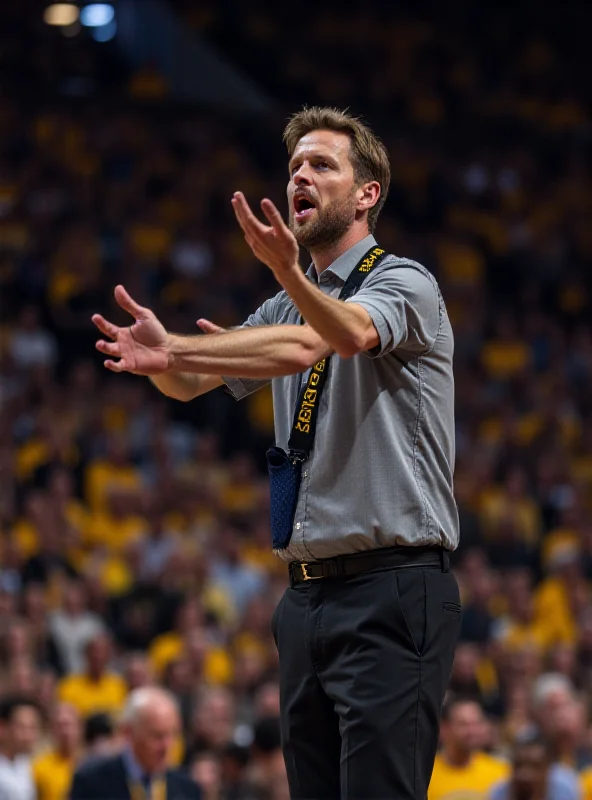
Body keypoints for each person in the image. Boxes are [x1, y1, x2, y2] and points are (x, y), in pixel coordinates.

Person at [91, 106, 461, 798]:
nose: (302, 176)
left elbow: (333, 339)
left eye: (323, 164)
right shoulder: (285, 304)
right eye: (295, 166)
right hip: (306, 600)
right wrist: (164, 354)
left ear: (366, 193)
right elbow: (191, 382)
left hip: (394, 584)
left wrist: (283, 281)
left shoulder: (404, 283)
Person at [69, 687, 201, 799]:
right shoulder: (91, 783)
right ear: (128, 732)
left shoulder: (187, 789)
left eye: (172, 735)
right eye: (157, 736)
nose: (167, 746)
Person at [429, 696, 509, 799]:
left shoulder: (501, 773)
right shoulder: (426, 775)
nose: (472, 731)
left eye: (477, 723)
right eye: (463, 724)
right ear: (445, 728)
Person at [489, 733, 581, 800]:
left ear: (547, 769)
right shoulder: (500, 793)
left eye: (534, 767)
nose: (524, 774)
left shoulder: (564, 791)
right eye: (519, 766)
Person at [32, 703, 82, 800]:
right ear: (52, 730)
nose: (65, 731)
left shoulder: (91, 764)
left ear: (80, 727)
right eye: (59, 726)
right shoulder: (39, 767)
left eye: (69, 725)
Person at [0, 696, 42, 800]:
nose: (28, 736)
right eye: (22, 727)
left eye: (32, 728)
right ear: (2, 727)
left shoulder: (28, 765)